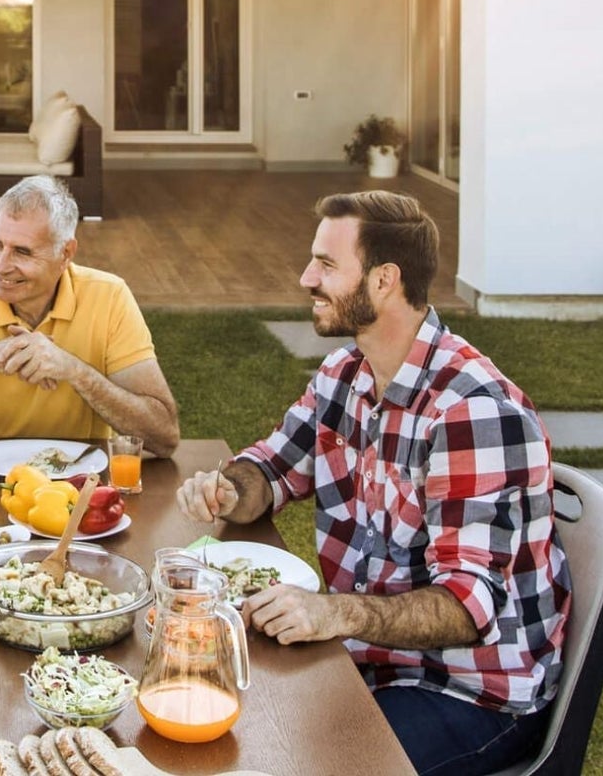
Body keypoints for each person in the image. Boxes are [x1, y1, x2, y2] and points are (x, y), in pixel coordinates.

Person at [175, 190, 569, 776]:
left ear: (385, 280)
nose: (307, 277)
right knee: (206, 705)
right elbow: (273, 469)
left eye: (327, 265)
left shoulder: (473, 413)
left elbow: (468, 607)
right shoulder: (345, 375)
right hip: (366, 658)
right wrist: (233, 488)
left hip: (468, 690)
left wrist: (336, 614)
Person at [0, 176, 179, 455]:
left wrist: (73, 370)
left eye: (22, 252)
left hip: (80, 486)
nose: (1, 265)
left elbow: (164, 436)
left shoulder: (110, 297)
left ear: (65, 253)